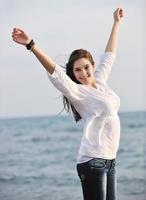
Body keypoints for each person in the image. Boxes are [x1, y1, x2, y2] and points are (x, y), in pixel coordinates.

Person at [12, 7, 124, 200]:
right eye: (78, 70)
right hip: (92, 161)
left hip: (110, 161)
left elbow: (109, 55)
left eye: (86, 67)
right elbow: (56, 72)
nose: (83, 73)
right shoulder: (77, 91)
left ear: (92, 66)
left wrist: (116, 23)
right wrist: (31, 44)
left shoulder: (101, 82)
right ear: (74, 73)